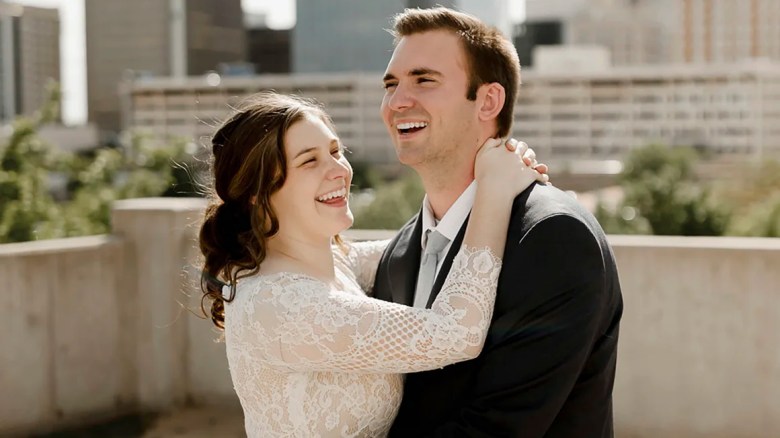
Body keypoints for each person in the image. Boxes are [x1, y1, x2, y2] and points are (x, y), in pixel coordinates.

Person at [197, 91, 548, 437]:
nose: (338, 171)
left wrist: (485, 176)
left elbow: (428, 246)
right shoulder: (280, 304)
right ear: (258, 193)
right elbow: (456, 332)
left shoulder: (333, 260)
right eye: (309, 161)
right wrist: (494, 190)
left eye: (335, 152)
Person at [373, 7, 624, 437]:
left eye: (424, 79)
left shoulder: (554, 237)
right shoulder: (398, 251)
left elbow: (497, 429)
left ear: (488, 101)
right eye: (392, 84)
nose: (397, 101)